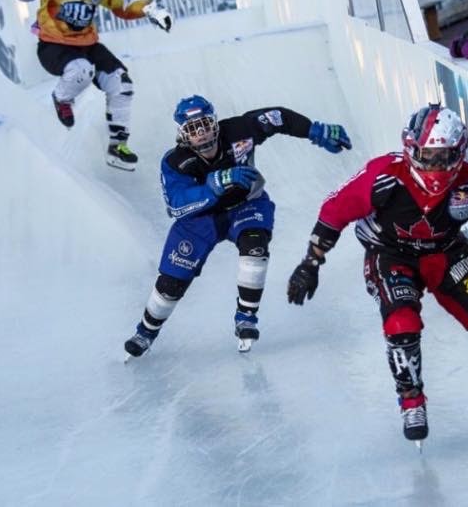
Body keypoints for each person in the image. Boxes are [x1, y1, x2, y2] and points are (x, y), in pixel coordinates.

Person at [286, 103, 468, 444]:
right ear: (410, 149)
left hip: (447, 251)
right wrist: (310, 263)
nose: (433, 167)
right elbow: (334, 212)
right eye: (426, 156)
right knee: (401, 322)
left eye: (442, 157)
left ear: (459, 153)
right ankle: (411, 401)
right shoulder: (383, 175)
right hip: (390, 254)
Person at [123, 96, 352, 358]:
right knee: (170, 285)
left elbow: (279, 117)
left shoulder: (241, 129)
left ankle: (246, 315)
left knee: (255, 247)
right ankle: (146, 331)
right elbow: (175, 206)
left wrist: (315, 130)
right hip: (199, 220)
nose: (201, 133)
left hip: (246, 205)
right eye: (193, 128)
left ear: (215, 122)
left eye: (205, 124)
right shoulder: (174, 162)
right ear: (182, 134)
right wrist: (213, 184)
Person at [13, 0, 173, 170]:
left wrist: (152, 10)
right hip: (53, 45)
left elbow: (126, 4)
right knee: (82, 71)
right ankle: (62, 98)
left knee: (122, 83)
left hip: (87, 43)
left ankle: (118, 147)